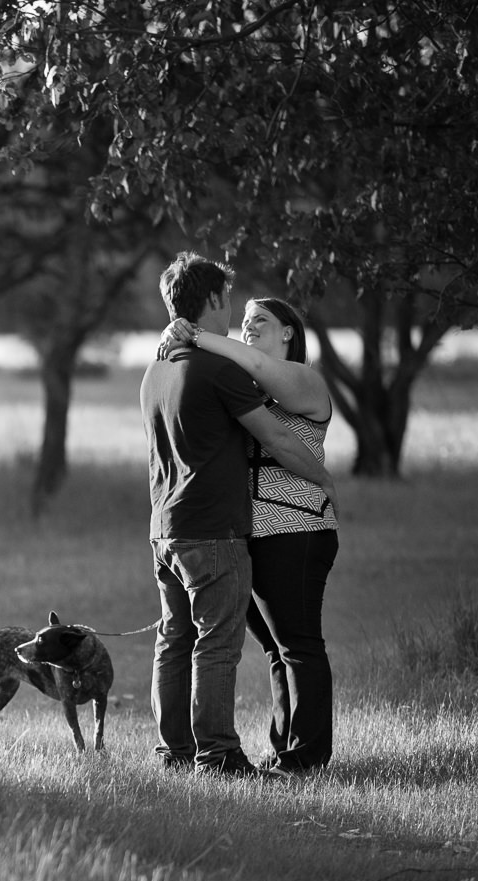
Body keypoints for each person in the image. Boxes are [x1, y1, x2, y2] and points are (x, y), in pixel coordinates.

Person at [140, 254, 324, 777]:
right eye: (229, 300)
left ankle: (173, 751)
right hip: (213, 530)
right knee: (216, 643)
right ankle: (217, 755)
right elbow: (277, 438)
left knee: (175, 639)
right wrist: (326, 480)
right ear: (216, 299)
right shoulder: (217, 369)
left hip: (164, 529)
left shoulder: (156, 369)